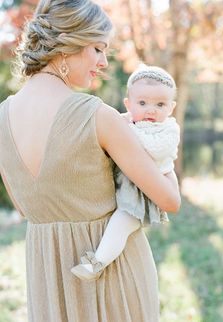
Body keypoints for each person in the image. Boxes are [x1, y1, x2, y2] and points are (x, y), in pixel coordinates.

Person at [0, 0, 181, 321]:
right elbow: (169, 200)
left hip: (48, 280)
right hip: (115, 279)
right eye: (97, 48)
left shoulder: (2, 118)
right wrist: (164, 143)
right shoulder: (97, 115)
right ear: (68, 43)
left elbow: (27, 207)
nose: (102, 62)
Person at [71, 64, 180, 281]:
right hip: (124, 185)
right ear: (128, 104)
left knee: (122, 223)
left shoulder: (167, 129)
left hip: (143, 193)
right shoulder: (128, 122)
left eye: (160, 104)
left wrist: (124, 130)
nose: (151, 110)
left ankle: (97, 263)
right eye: (142, 103)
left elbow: (156, 149)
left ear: (171, 107)